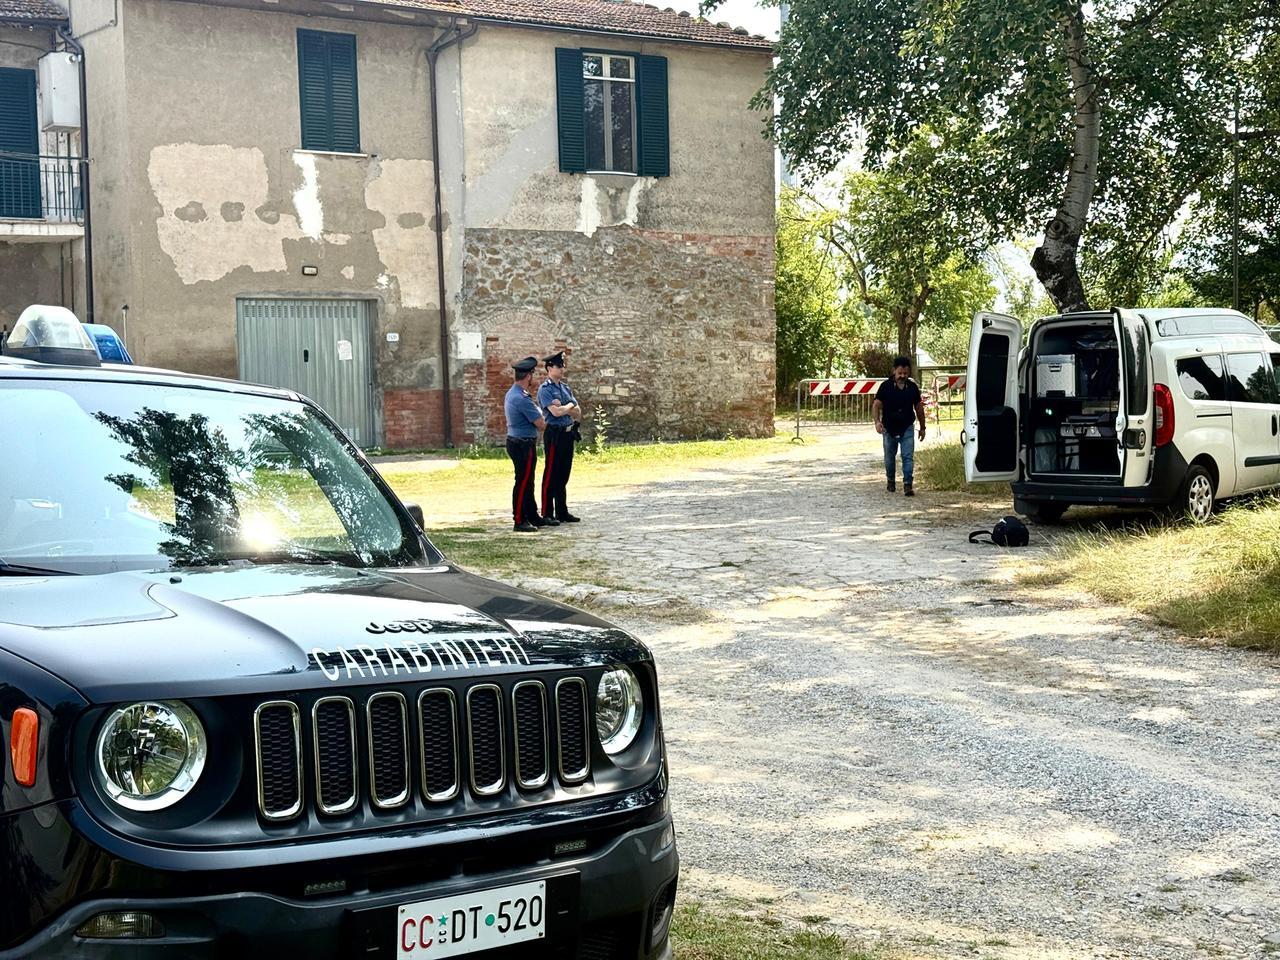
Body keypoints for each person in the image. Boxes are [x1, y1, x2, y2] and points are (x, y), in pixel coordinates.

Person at [537, 350, 582, 523]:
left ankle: (562, 511)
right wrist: (568, 407)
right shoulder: (545, 390)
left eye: (563, 366)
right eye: (558, 366)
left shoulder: (565, 388)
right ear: (549, 368)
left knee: (564, 473)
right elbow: (555, 413)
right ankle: (547, 512)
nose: (562, 369)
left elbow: (578, 412)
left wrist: (567, 406)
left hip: (568, 433)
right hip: (554, 433)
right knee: (551, 473)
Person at [873, 355, 927, 496]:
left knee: (907, 457)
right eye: (899, 373)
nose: (902, 376)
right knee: (889, 458)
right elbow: (876, 405)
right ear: (894, 371)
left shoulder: (913, 387)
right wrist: (877, 422)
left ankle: (908, 484)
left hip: (907, 426)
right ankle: (890, 480)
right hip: (888, 427)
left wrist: (922, 427)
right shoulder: (885, 387)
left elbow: (919, 408)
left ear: (908, 373)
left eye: (905, 374)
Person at [504, 356, 547, 532]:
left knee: (527, 480)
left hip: (518, 441)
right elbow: (541, 424)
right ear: (528, 376)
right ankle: (520, 519)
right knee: (523, 481)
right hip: (523, 444)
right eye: (532, 374)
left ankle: (532, 515)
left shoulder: (514, 393)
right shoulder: (521, 398)